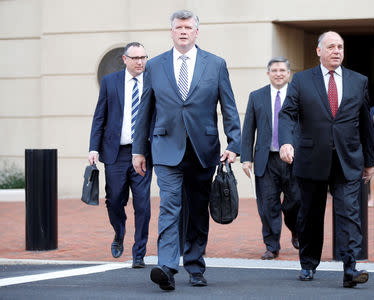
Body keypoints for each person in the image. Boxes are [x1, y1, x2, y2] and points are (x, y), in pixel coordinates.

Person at [132, 10, 241, 291]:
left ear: (196, 32)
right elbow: (144, 111)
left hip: (203, 150)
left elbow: (228, 107)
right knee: (169, 206)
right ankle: (167, 267)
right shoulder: (154, 66)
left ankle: (194, 265)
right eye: (178, 27)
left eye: (188, 27)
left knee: (197, 210)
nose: (183, 31)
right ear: (171, 32)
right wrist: (138, 150)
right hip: (166, 148)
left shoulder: (215, 64)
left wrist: (234, 143)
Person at [278, 31, 374, 288]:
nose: (336, 51)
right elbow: (288, 114)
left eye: (340, 47)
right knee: (310, 215)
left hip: (348, 159)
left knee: (349, 214)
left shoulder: (359, 81)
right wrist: (287, 141)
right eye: (331, 46)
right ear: (318, 50)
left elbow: (365, 122)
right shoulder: (301, 80)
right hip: (311, 159)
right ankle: (308, 263)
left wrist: (369, 160)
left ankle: (350, 268)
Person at [88, 42, 152, 269]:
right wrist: (93, 148)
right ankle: (119, 232)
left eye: (143, 57)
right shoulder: (110, 82)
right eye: (135, 58)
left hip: (142, 154)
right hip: (115, 153)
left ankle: (139, 253)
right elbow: (100, 117)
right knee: (115, 200)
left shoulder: (152, 81)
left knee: (143, 205)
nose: (140, 62)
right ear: (125, 59)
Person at [241, 57, 300, 260]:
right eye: (274, 70)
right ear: (268, 74)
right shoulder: (256, 96)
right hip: (266, 160)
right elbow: (249, 128)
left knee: (296, 201)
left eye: (282, 70)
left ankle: (296, 229)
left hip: (294, 160)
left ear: (288, 73)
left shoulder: (298, 94)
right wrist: (246, 158)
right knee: (268, 205)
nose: (278, 73)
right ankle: (272, 245)